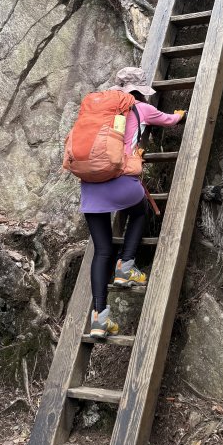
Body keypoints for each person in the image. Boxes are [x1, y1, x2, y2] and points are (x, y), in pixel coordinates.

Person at [82, 66, 184, 340]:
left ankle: (99, 318)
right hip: (122, 182)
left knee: (102, 250)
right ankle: (126, 266)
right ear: (139, 90)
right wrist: (180, 115)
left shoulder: (100, 110)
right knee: (139, 213)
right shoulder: (141, 108)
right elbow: (169, 120)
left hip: (90, 186)